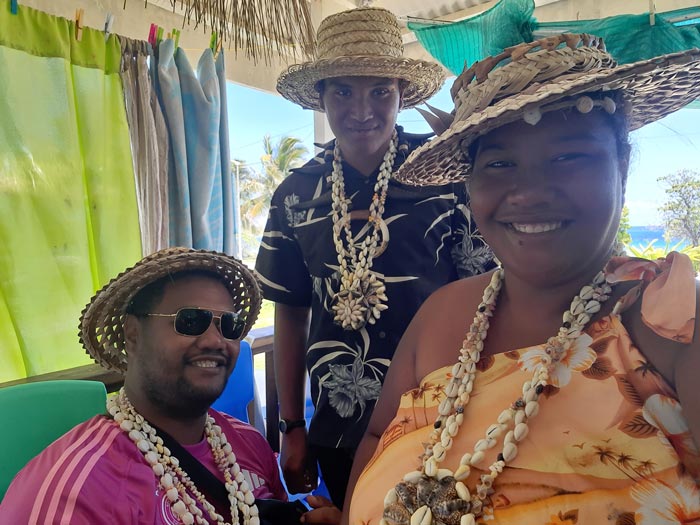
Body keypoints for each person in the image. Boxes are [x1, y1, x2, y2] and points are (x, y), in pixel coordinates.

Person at [345, 34, 700, 524]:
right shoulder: (444, 312)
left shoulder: (670, 324)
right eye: (499, 163)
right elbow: (376, 438)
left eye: (568, 157)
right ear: (470, 183)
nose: (529, 192)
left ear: (621, 164)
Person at [256, 6, 494, 508]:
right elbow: (291, 312)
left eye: (380, 91)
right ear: (321, 96)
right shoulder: (295, 195)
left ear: (401, 94)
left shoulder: (445, 172)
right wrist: (291, 426)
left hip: (443, 414)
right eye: (343, 91)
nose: (361, 110)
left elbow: (487, 295)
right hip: (338, 423)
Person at [0, 247, 339, 525]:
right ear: (133, 334)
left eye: (229, 325)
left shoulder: (249, 444)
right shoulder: (74, 492)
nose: (215, 340)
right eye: (190, 321)